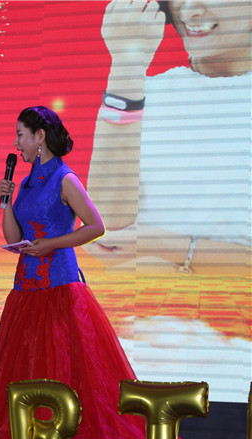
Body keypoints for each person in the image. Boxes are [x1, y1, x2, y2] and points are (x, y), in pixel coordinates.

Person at [0, 106, 240, 439]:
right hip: (26, 290)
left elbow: (96, 226)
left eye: (21, 135)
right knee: (25, 371)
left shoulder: (65, 178)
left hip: (60, 287)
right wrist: (6, 203)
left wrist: (52, 244)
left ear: (40, 136)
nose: (16, 143)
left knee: (66, 371)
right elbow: (13, 236)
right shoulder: (26, 181)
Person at [87, 0, 251, 272]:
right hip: (146, 294)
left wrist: (165, 247)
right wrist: (127, 65)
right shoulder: (140, 93)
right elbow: (106, 229)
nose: (189, 10)